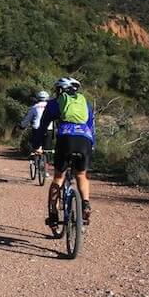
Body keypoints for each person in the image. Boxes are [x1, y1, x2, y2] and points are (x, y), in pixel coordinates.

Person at [33, 77, 94, 225]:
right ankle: (85, 204)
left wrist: (36, 145)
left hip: (66, 139)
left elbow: (42, 127)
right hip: (85, 139)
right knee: (81, 174)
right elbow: (91, 127)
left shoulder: (54, 103)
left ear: (60, 89)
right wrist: (92, 146)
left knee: (58, 177)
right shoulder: (85, 103)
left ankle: (53, 214)